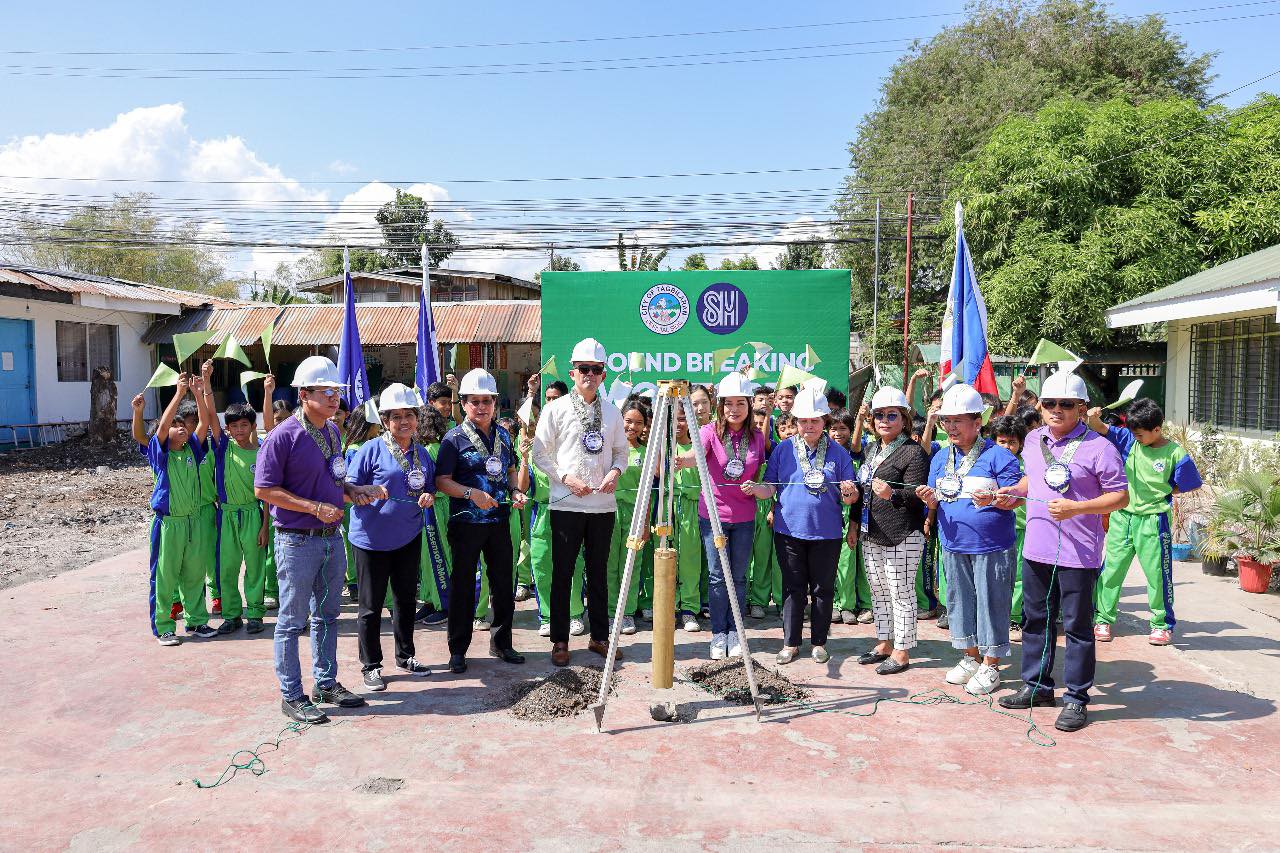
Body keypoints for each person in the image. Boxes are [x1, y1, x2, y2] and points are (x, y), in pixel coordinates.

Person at [984, 369, 1128, 733]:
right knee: (1036, 621)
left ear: (1082, 408)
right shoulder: (1033, 440)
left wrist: (1078, 508)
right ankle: (1036, 686)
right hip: (1036, 547)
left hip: (1079, 553)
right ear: (1041, 406)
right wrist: (1012, 494)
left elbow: (1121, 496)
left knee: (1077, 627)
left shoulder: (1100, 447)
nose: (1057, 410)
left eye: (1067, 404)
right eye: (1050, 403)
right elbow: (1034, 478)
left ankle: (1076, 698)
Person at [255, 355, 383, 723]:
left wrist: (356, 490)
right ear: (304, 393)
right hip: (297, 540)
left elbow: (333, 482)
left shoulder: (331, 431)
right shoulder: (284, 436)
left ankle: (325, 683)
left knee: (327, 615)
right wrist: (313, 508)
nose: (334, 398)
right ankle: (291, 694)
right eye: (326, 392)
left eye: (336, 392)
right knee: (291, 620)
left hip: (330, 537)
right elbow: (263, 489)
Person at [916, 385, 1023, 696]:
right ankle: (970, 657)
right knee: (959, 602)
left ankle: (991, 664)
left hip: (991, 544)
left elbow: (1016, 497)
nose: (950, 428)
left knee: (992, 602)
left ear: (978, 423)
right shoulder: (939, 458)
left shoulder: (998, 455)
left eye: (957, 421)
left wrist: (997, 499)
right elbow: (937, 498)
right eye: (946, 421)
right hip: (952, 543)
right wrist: (929, 499)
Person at [532, 338, 629, 668]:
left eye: (596, 370)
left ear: (603, 374)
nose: (590, 374)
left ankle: (599, 637)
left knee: (599, 573)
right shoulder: (555, 409)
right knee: (563, 574)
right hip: (566, 504)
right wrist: (564, 477)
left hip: (602, 506)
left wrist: (616, 472)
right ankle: (560, 639)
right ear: (573, 372)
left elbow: (621, 452)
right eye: (584, 369)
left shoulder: (614, 412)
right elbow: (539, 453)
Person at [750, 388, 858, 664]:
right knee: (792, 587)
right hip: (788, 531)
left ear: (825, 421)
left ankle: (819, 642)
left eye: (815, 421)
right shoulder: (784, 449)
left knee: (823, 589)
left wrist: (848, 492)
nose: (808, 426)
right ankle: (790, 642)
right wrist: (755, 489)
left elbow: (852, 496)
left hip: (827, 532)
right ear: (795, 421)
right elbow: (770, 486)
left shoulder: (839, 453)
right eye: (802, 421)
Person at [434, 368, 528, 674]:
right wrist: (470, 493)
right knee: (463, 586)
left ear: (495, 401)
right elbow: (442, 481)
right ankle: (458, 649)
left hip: (499, 520)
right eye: (474, 401)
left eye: (486, 400)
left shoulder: (502, 433)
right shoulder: (453, 439)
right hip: (466, 523)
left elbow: (511, 468)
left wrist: (515, 489)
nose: (481, 406)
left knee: (503, 584)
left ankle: (501, 643)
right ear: (463, 403)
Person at [1087, 398, 1202, 645]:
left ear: (1157, 429)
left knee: (1157, 574)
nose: (1136, 438)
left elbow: (1191, 483)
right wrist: (1094, 417)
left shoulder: (1175, 453)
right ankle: (1103, 619)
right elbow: (1100, 428)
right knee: (1111, 571)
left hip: (1154, 521)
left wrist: (1166, 492)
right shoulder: (1129, 440)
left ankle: (1161, 624)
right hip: (1122, 517)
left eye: (1141, 435)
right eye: (1134, 434)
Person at [346, 384, 436, 691]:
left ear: (416, 418)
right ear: (385, 421)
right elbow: (349, 490)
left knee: (405, 601)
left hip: (408, 537)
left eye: (408, 415)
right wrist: (365, 493)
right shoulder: (370, 449)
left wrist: (428, 496)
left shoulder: (422, 454)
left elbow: (428, 487)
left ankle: (405, 655)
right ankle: (371, 665)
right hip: (371, 541)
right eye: (395, 417)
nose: (403, 422)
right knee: (371, 606)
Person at [677, 373, 766, 659]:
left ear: (749, 406)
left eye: (741, 403)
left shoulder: (757, 437)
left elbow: (760, 470)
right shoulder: (710, 432)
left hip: (744, 517)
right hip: (713, 515)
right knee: (717, 577)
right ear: (721, 405)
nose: (734, 409)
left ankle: (735, 632)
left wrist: (758, 488)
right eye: (729, 403)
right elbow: (695, 456)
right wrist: (680, 461)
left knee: (739, 578)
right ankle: (717, 634)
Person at [133, 376, 217, 645]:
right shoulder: (160, 454)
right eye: (175, 426)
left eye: (183, 426)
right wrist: (179, 394)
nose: (181, 429)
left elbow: (203, 423)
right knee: (165, 576)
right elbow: (160, 429)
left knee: (194, 574)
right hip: (169, 524)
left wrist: (197, 392)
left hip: (193, 522)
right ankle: (164, 627)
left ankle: (197, 622)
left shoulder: (193, 449)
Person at [855, 386, 930, 676]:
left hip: (903, 533)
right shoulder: (873, 449)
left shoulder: (913, 452)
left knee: (901, 591)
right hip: (871, 530)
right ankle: (884, 642)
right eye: (879, 415)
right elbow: (863, 488)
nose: (884, 420)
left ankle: (902, 650)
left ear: (904, 419)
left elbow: (916, 494)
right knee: (879, 591)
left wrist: (892, 495)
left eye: (892, 415)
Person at [517, 402, 587, 638]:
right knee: (542, 566)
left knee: (573, 565)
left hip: (569, 511)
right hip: (542, 513)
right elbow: (522, 487)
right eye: (532, 421)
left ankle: (574, 613)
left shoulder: (568, 447)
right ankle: (547, 616)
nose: (536, 425)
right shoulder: (529, 452)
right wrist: (525, 460)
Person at [208, 392, 271, 636]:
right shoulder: (223, 448)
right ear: (228, 429)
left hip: (253, 515)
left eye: (244, 425)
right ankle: (232, 615)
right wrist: (206, 387)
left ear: (253, 426)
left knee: (255, 566)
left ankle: (255, 613)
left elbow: (266, 494)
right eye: (234, 426)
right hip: (226, 516)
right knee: (227, 567)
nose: (239, 430)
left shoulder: (262, 452)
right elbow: (211, 416)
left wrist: (265, 526)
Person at [606, 396, 654, 635]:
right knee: (608, 564)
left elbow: (648, 492)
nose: (631, 427)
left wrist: (645, 522)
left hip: (635, 514)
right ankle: (609, 611)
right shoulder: (608, 449)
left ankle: (626, 613)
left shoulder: (646, 453)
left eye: (637, 423)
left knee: (631, 565)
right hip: (609, 511)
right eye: (627, 421)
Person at [828, 408, 874, 625]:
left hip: (862, 513)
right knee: (842, 562)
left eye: (843, 428)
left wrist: (860, 419)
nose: (838, 433)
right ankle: (842, 605)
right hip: (836, 514)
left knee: (864, 562)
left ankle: (865, 604)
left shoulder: (858, 453)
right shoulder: (826, 454)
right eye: (833, 429)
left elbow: (854, 444)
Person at [414, 405, 453, 627]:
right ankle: (430, 599)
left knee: (438, 555)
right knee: (426, 558)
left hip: (436, 507)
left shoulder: (430, 449)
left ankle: (444, 603)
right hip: (429, 507)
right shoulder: (429, 447)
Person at [990, 415, 1029, 631]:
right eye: (1002, 441)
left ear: (1020, 443)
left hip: (1023, 527)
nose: (1006, 446)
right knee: (995, 576)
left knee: (1019, 575)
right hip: (996, 527)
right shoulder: (987, 462)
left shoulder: (1027, 465)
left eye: (1012, 442)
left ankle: (1013, 617)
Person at [671, 406, 707, 632]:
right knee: (666, 557)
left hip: (693, 506)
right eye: (673, 420)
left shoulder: (698, 447)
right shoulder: (661, 446)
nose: (678, 424)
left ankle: (689, 609)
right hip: (667, 506)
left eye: (683, 419)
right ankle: (670, 605)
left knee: (690, 560)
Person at [747, 406, 780, 619]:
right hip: (748, 506)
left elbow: (765, 441)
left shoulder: (775, 449)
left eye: (763, 424)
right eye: (755, 424)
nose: (759, 428)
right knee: (751, 558)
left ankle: (770, 599)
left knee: (770, 558)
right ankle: (751, 599)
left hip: (769, 505)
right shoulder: (746, 447)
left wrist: (772, 508)